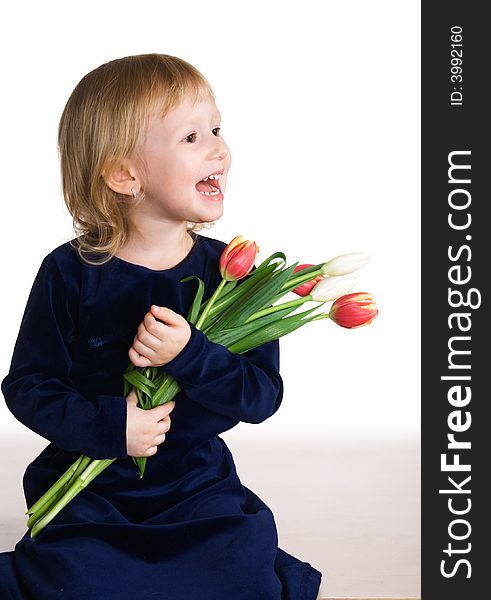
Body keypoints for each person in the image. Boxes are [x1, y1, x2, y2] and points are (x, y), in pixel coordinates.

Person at [0, 53, 322, 599]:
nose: (219, 148)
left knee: (241, 574)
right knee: (78, 580)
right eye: (191, 137)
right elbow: (28, 387)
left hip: (197, 487)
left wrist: (189, 354)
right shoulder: (69, 272)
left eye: (216, 129)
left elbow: (261, 396)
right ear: (125, 174)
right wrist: (111, 427)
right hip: (93, 488)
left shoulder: (232, 272)